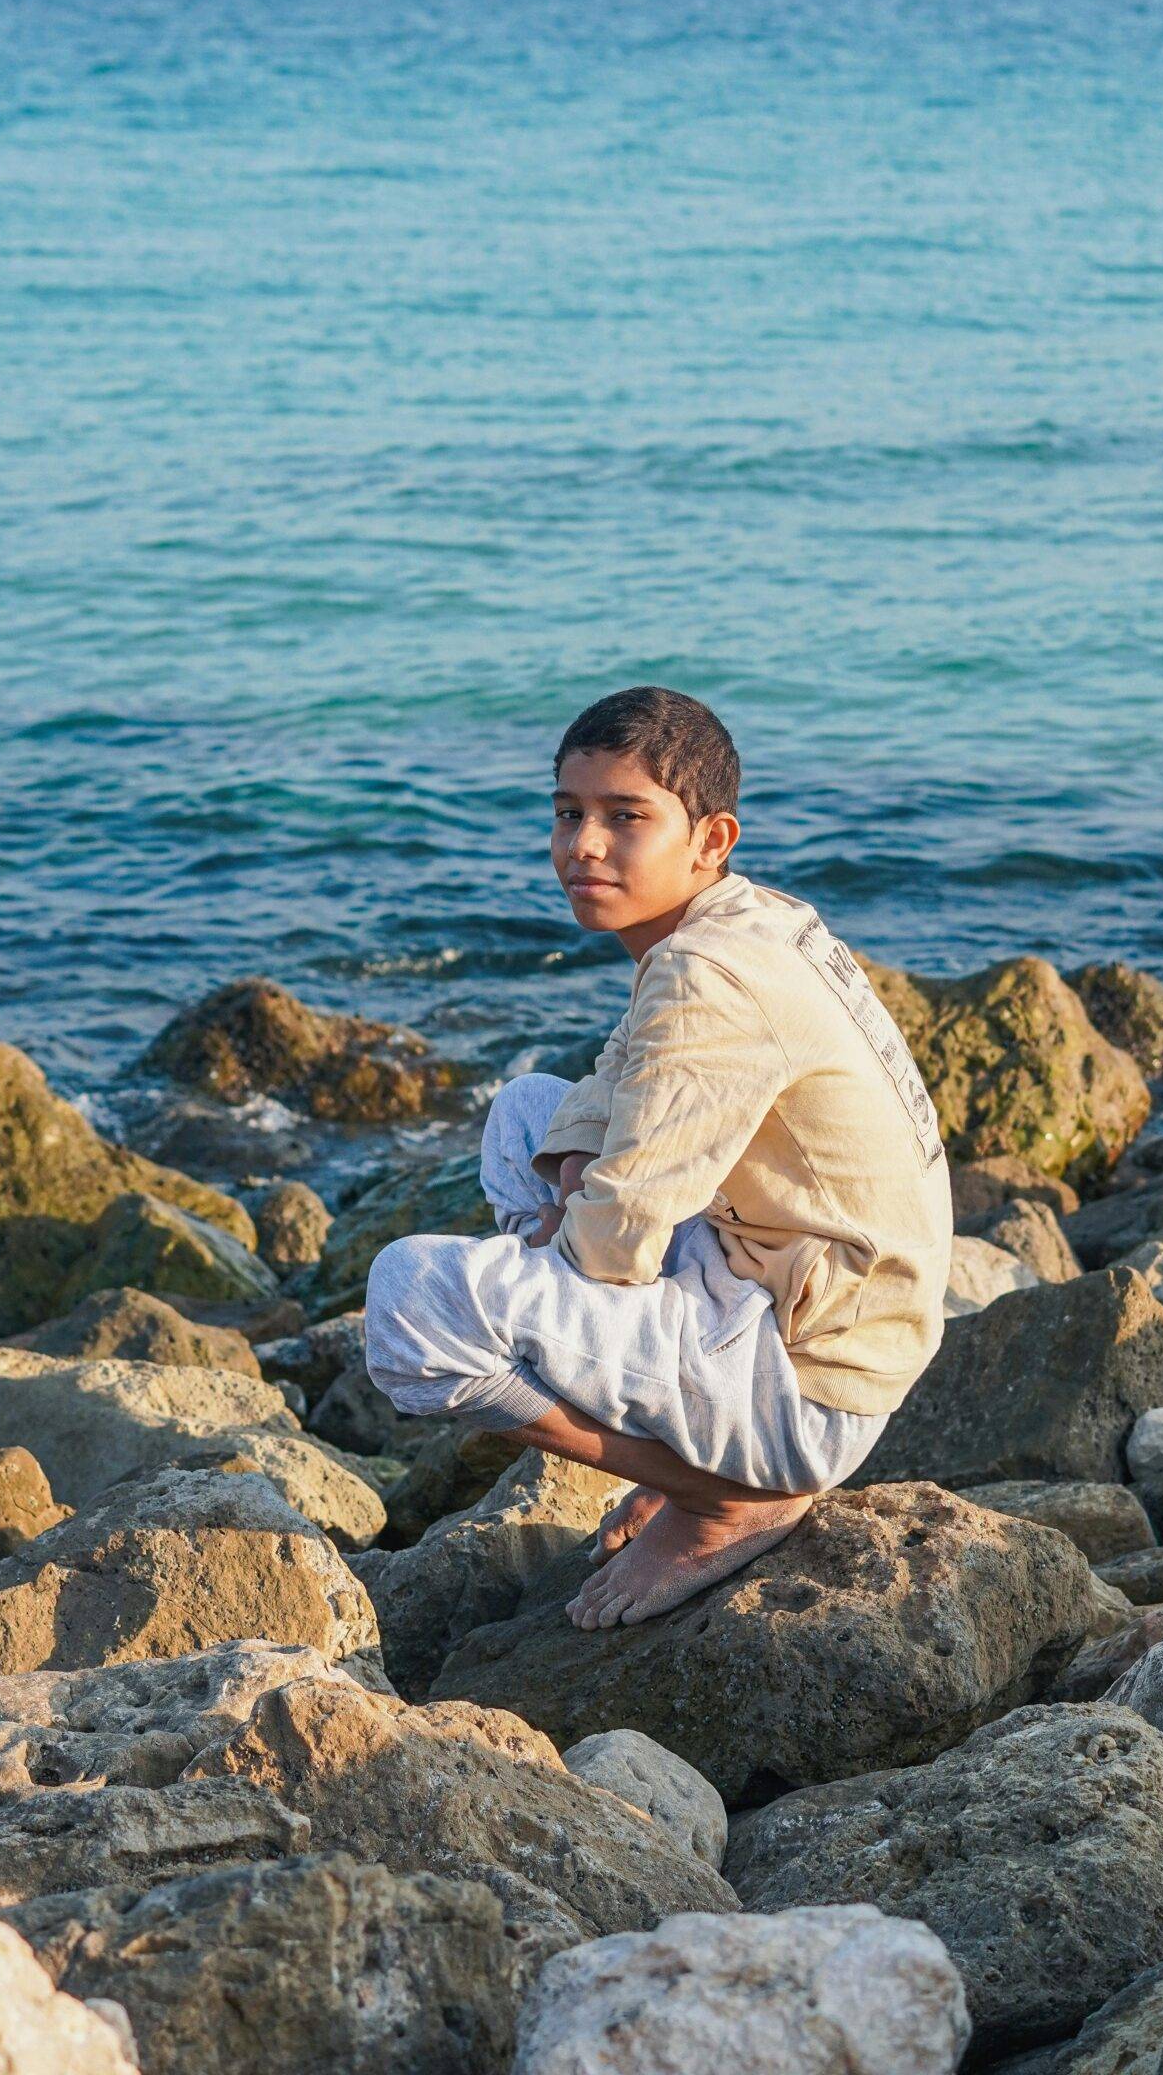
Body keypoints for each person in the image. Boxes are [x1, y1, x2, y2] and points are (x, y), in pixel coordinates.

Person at [363, 684, 953, 1627]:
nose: (582, 846)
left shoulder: (707, 974)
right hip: (788, 1279)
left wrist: (556, 1256)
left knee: (411, 1300)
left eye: (624, 817)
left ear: (710, 839)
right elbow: (621, 1069)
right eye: (568, 813)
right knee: (527, 1111)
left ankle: (718, 1495)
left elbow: (618, 1240)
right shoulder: (732, 921)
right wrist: (565, 1198)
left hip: (811, 1382)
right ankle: (663, 1411)